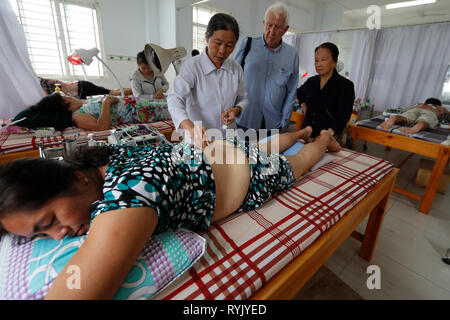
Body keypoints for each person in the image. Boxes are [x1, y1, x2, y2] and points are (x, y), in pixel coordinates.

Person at [0, 125, 341, 299]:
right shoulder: (105, 162)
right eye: (42, 235)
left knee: (298, 162)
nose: (57, 235)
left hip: (248, 173)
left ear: (76, 179)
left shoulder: (129, 191)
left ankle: (323, 138)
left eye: (50, 222)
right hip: (219, 152)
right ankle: (300, 131)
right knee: (263, 146)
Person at [168, 13, 248, 145]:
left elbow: (243, 98)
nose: (222, 50)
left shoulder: (236, 68)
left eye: (229, 45)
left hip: (228, 138)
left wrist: (236, 110)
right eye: (218, 43)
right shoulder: (192, 67)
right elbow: (175, 99)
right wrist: (191, 127)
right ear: (206, 37)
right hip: (199, 141)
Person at [233, 2, 299, 134]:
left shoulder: (292, 54)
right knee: (242, 155)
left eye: (278, 27)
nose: (272, 31)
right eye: (269, 25)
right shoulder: (247, 45)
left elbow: (291, 91)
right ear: (264, 23)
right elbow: (233, 78)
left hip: (273, 124)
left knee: (270, 155)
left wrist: (284, 122)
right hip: (245, 120)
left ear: (286, 29)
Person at [296, 42, 355, 140]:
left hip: (328, 138)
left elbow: (344, 116)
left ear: (334, 62)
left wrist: (328, 134)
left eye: (323, 60)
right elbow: (299, 92)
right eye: (316, 60)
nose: (318, 64)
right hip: (306, 134)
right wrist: (303, 105)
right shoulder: (311, 81)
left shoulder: (345, 85)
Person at [13, 93, 139, 131]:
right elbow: (102, 126)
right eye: (67, 97)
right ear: (65, 105)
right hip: (141, 112)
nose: (71, 97)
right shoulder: (77, 116)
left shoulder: (84, 105)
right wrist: (106, 103)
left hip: (139, 103)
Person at [379, 98, 448, 134]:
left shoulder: (419, 104)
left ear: (426, 102)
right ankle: (420, 124)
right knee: (426, 120)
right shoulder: (439, 107)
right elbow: (448, 114)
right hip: (430, 112)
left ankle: (395, 118)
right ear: (438, 104)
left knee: (406, 118)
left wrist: (402, 114)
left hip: (415, 109)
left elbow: (406, 109)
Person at [39, 77, 132, 99]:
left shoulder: (46, 83)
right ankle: (133, 90)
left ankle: (135, 90)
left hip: (83, 87)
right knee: (111, 91)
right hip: (81, 89)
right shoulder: (44, 84)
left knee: (113, 93)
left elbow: (63, 87)